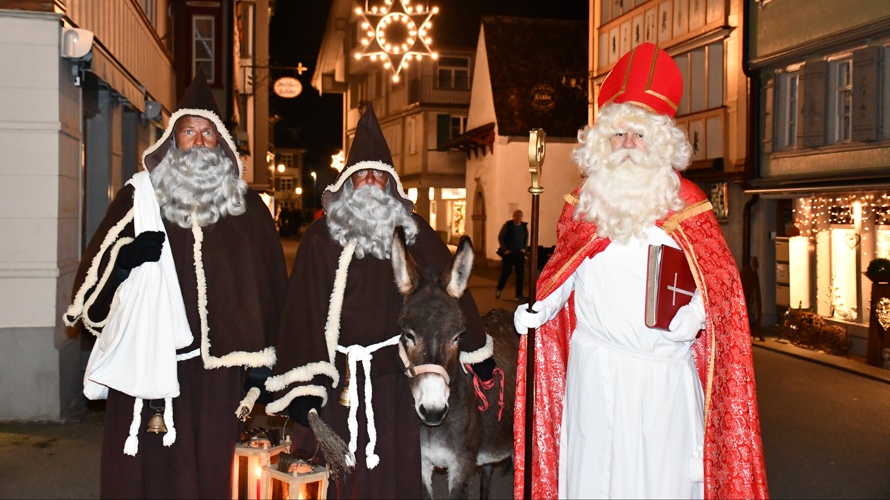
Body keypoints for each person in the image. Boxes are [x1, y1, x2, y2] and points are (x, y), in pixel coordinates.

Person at [512, 43, 768, 499]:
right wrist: (542, 306)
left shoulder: (686, 205)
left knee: (658, 482)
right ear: (602, 142)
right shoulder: (585, 204)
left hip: (660, 378)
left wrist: (692, 317)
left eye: (639, 134)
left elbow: (719, 288)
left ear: (660, 142)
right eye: (618, 134)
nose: (628, 144)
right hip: (594, 373)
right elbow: (567, 268)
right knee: (593, 476)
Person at [64, 73, 289, 498]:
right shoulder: (139, 198)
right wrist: (124, 260)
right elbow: (91, 287)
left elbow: (272, 287)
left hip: (218, 373)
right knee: (148, 467)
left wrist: (265, 363)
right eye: (189, 132)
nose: (199, 142)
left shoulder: (247, 208)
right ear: (173, 141)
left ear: (221, 143)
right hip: (149, 354)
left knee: (213, 466)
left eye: (208, 133)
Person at [265, 104, 495, 499]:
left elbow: (452, 293)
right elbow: (301, 314)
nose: (370, 182)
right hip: (335, 380)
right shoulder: (320, 239)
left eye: (379, 175)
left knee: (391, 473)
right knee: (331, 476)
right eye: (362, 175)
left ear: (391, 185)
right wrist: (302, 386)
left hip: (393, 380)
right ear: (348, 182)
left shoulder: (415, 233)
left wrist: (476, 350)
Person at [496, 209, 529, 300]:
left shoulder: (523, 227)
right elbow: (501, 237)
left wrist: (524, 249)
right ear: (513, 217)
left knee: (520, 274)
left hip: (519, 253)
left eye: (520, 216)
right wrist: (505, 249)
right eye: (516, 216)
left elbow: (526, 238)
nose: (518, 218)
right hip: (509, 253)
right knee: (506, 272)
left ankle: (519, 294)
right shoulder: (508, 226)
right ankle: (499, 289)